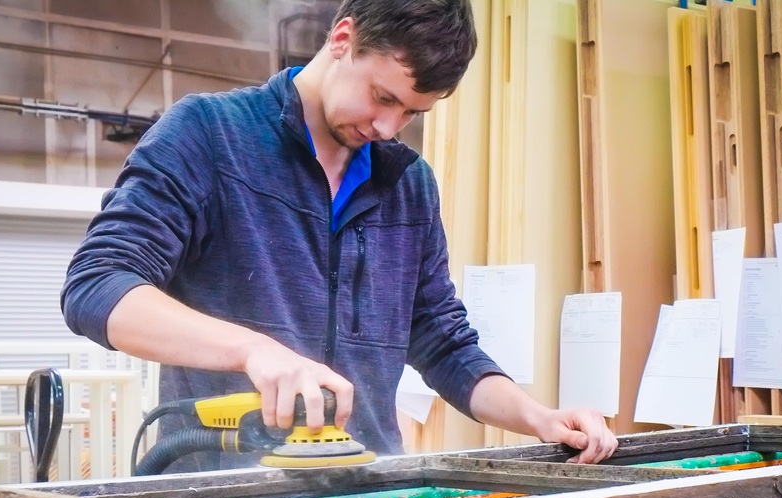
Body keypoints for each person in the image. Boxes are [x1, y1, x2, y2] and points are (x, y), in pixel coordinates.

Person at [62, 0, 618, 472]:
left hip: (367, 494)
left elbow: (443, 344)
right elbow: (98, 286)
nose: (386, 128)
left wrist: (539, 418)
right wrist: (253, 350)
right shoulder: (209, 137)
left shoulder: (408, 184)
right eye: (382, 97)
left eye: (411, 113)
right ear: (343, 38)